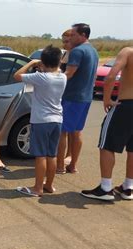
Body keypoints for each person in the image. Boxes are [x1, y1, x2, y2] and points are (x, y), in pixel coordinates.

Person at [81, 47, 133, 201]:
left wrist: (107, 99)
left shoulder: (128, 52)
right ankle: (128, 186)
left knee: (106, 145)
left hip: (126, 105)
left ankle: (105, 188)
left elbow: (110, 77)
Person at [14, 45, 67, 197]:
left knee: (40, 156)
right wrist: (43, 66)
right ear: (58, 61)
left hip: (41, 120)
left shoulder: (41, 77)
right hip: (57, 120)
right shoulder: (62, 77)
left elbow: (17, 76)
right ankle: (49, 185)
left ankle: (37, 188)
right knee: (52, 155)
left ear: (44, 61)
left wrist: (31, 63)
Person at [56, 23, 99, 174]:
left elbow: (69, 74)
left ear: (83, 35)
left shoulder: (77, 51)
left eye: (73, 34)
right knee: (77, 131)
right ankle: (73, 165)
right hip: (85, 97)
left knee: (62, 131)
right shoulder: (93, 51)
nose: (70, 37)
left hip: (72, 97)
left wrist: (51, 79)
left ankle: (60, 166)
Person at [60, 29, 73, 164]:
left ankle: (69, 155)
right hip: (63, 93)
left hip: (70, 95)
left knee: (69, 129)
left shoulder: (74, 55)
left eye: (66, 41)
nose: (64, 44)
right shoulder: (66, 54)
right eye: (63, 41)